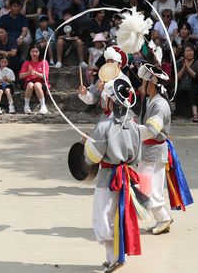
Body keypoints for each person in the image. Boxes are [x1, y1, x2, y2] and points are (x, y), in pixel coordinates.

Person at [83, 76, 142, 273]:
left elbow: (92, 158)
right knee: (118, 214)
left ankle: (115, 256)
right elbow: (137, 156)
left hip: (108, 176)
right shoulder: (133, 124)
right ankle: (114, 257)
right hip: (126, 175)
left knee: (103, 217)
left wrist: (88, 143)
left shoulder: (104, 126)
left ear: (110, 100)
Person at [137, 64, 193, 237]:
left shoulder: (160, 105)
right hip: (151, 150)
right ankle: (162, 218)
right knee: (151, 188)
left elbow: (151, 130)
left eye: (144, 82)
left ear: (151, 84)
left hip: (153, 150)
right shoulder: (150, 101)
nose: (141, 85)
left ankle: (163, 218)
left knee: (144, 187)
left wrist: (131, 129)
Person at [19, 45, 50, 114]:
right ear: (29, 52)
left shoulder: (44, 62)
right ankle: (26, 106)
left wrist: (35, 73)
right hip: (29, 83)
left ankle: (43, 106)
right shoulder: (26, 62)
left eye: (36, 51)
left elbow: (45, 76)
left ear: (39, 53)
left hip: (41, 83)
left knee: (37, 85)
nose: (34, 53)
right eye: (32, 51)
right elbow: (21, 76)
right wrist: (28, 72)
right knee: (30, 84)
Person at [175, 44, 198, 121]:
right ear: (183, 53)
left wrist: (188, 68)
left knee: (191, 92)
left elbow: (196, 77)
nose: (190, 53)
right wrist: (184, 67)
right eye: (188, 51)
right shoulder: (179, 62)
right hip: (181, 85)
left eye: (191, 51)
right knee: (176, 92)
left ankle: (195, 115)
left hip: (194, 84)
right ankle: (173, 112)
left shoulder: (197, 62)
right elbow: (178, 77)